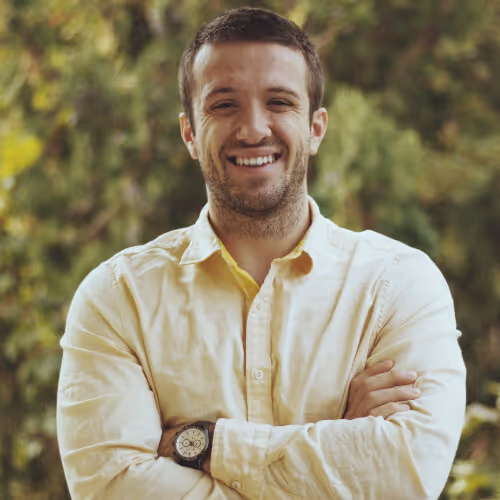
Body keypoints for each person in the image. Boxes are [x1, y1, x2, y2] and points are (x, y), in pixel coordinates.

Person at [56, 7, 466, 499]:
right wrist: (340, 446)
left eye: (279, 102)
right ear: (189, 133)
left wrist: (202, 445)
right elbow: (112, 488)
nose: (253, 129)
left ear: (316, 128)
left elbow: (405, 474)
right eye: (224, 105)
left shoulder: (399, 286)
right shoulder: (118, 299)